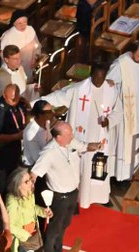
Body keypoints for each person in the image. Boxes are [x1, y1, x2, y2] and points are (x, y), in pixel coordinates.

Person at [40, 63, 121, 207]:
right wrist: (40, 102)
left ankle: (101, 197)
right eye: (96, 77)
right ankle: (81, 198)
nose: (99, 80)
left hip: (101, 137)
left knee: (99, 165)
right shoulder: (79, 89)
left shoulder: (111, 90)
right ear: (91, 75)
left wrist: (109, 121)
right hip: (82, 137)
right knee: (83, 167)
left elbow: (118, 111)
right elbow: (60, 96)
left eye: (102, 77)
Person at [31, 122, 102, 252]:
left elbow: (85, 146)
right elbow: (34, 173)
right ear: (59, 137)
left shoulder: (70, 142)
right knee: (54, 228)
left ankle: (58, 248)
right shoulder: (49, 153)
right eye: (69, 134)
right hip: (59, 198)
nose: (72, 136)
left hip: (72, 193)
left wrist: (96, 146)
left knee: (64, 224)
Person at [0, 84, 29, 184]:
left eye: (17, 98)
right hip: (2, 155)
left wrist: (27, 106)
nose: (14, 101)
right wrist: (16, 136)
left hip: (17, 153)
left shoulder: (20, 104)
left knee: (13, 182)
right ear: (4, 95)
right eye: (11, 99)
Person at [5, 167, 51, 251]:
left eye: (30, 179)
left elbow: (33, 208)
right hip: (22, 241)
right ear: (18, 186)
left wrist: (43, 212)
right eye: (27, 182)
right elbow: (10, 225)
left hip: (34, 234)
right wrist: (27, 236)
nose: (31, 182)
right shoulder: (12, 201)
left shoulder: (30, 193)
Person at [0, 10, 41, 79]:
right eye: (20, 23)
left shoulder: (30, 30)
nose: (23, 25)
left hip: (29, 66)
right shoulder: (8, 36)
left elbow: (37, 47)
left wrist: (35, 57)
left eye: (25, 22)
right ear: (14, 24)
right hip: (14, 70)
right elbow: (3, 55)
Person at [22, 100, 55, 167]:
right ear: (40, 115)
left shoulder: (46, 123)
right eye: (49, 112)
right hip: (32, 167)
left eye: (52, 110)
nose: (52, 113)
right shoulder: (31, 133)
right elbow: (37, 159)